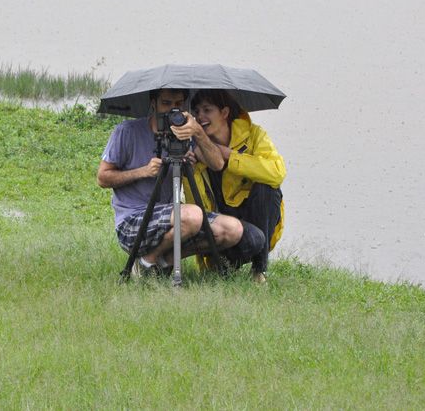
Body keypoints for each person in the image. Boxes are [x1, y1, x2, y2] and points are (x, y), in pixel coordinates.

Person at [97, 88, 265, 277]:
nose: (172, 110)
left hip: (172, 219)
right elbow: (103, 178)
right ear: (153, 104)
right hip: (133, 221)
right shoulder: (127, 131)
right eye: (166, 104)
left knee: (232, 229)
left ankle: (162, 262)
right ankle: (144, 264)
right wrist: (143, 171)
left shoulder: (186, 133)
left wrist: (198, 132)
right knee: (192, 215)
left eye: (178, 104)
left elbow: (217, 163)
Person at [185, 89, 285, 283]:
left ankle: (259, 271)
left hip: (254, 221)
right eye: (196, 111)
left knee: (268, 188)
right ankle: (222, 266)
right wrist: (190, 171)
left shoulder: (255, 135)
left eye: (207, 110)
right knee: (252, 239)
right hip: (224, 232)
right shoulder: (194, 148)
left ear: (224, 113)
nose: (200, 117)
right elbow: (195, 209)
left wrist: (230, 156)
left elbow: (277, 172)